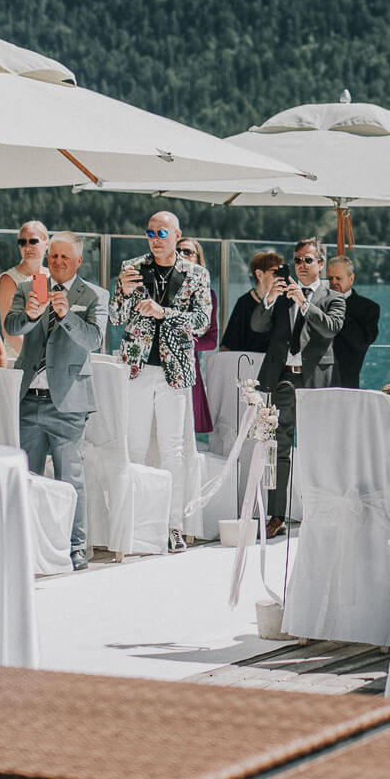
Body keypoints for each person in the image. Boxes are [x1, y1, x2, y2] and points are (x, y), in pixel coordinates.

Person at [4, 232, 107, 571]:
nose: (58, 262)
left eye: (66, 257)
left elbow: (93, 340)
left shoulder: (94, 295)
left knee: (70, 479)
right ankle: (26, 544)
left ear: (79, 261)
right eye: (54, 256)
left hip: (69, 401)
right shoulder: (27, 288)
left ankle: (75, 548)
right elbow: (12, 326)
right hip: (28, 399)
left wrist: (67, 317)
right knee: (27, 476)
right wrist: (32, 315)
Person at [111, 210, 212, 553]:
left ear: (177, 234)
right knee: (134, 444)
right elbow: (114, 317)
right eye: (150, 233)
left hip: (175, 371)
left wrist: (164, 312)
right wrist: (123, 294)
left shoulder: (196, 274)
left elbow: (201, 322)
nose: (155, 239)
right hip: (137, 367)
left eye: (162, 233)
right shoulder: (132, 267)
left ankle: (173, 525)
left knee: (173, 449)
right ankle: (137, 520)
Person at [253, 237, 345, 537]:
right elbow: (257, 326)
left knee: (317, 446)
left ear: (320, 263)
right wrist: (268, 297)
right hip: (283, 379)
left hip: (316, 380)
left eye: (308, 260)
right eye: (297, 260)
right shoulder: (281, 295)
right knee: (278, 447)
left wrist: (304, 303)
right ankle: (276, 515)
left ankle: (319, 512)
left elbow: (331, 327)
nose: (301, 265)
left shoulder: (333, 296)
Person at [176, 237, 218, 435]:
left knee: (187, 434)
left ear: (198, 259)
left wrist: (188, 343)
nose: (182, 255)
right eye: (178, 251)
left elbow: (211, 340)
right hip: (156, 367)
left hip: (188, 367)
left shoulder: (208, 294)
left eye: (187, 252)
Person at [0, 220, 49, 357]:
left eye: (33, 241)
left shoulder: (52, 277)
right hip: (20, 360)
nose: (27, 247)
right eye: (22, 242)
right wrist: (35, 361)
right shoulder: (9, 280)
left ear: (46, 244)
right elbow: (8, 332)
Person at [327, 255, 380, 389]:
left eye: (338, 278)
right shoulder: (318, 303)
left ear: (351, 279)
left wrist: (338, 308)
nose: (334, 282)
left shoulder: (369, 308)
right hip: (315, 378)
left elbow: (361, 342)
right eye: (330, 278)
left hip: (346, 379)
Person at [219, 251, 283, 354]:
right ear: (259, 274)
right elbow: (227, 345)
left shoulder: (283, 303)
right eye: (275, 273)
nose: (280, 277)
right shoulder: (244, 303)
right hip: (247, 365)